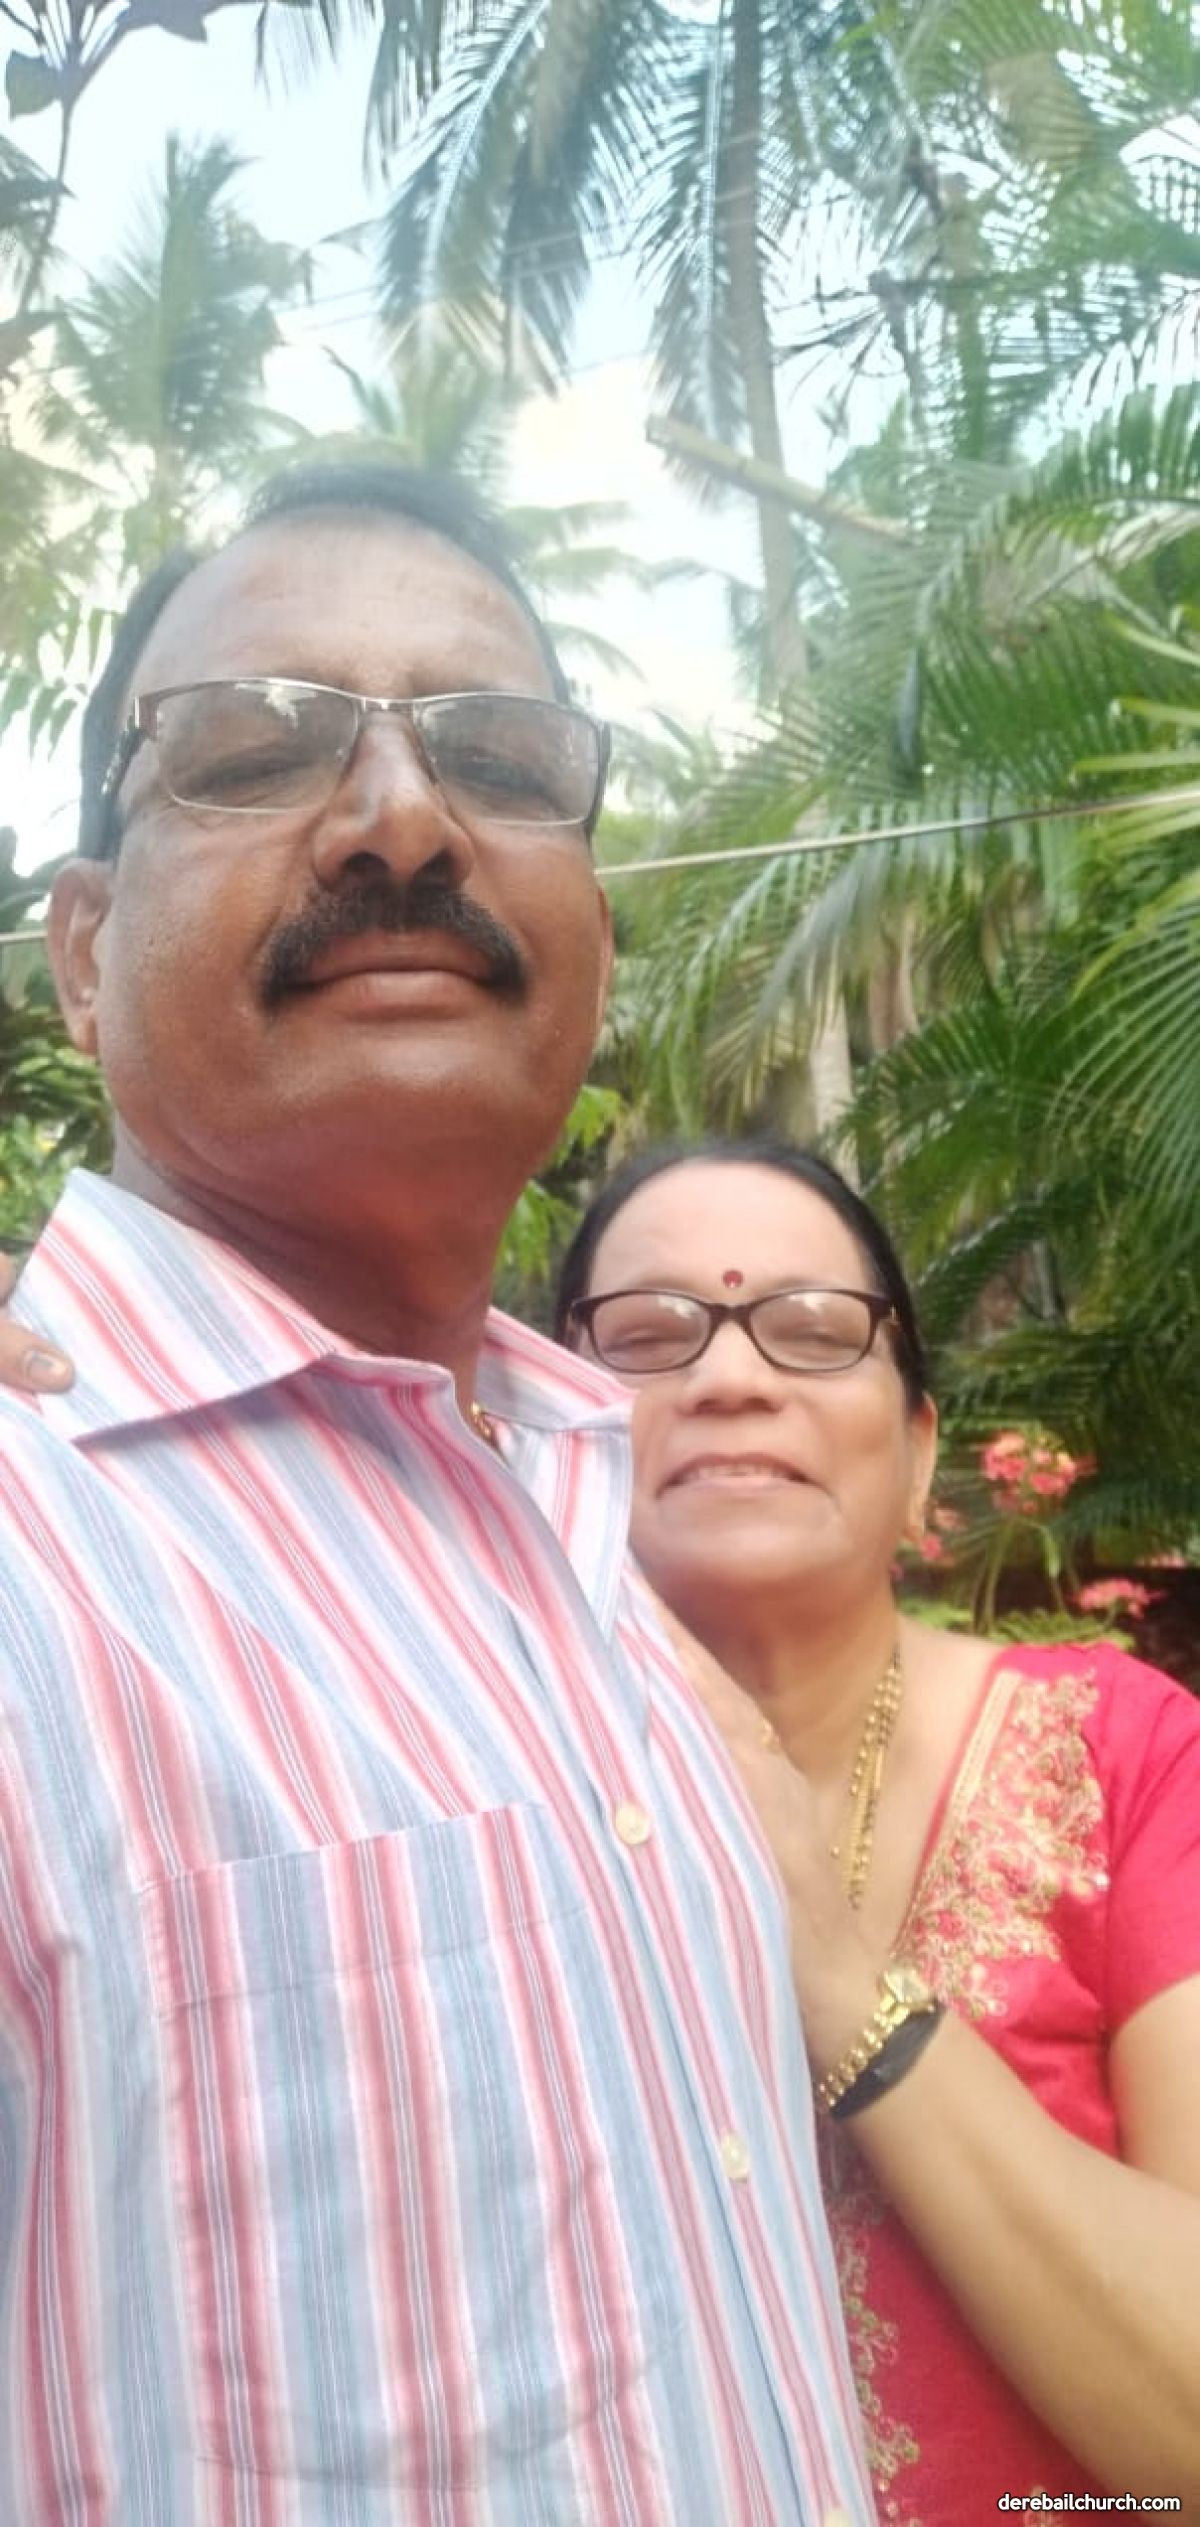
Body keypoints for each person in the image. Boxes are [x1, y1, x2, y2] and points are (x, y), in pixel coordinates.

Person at [0, 470, 872, 2525]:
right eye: (250, 749)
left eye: (500, 756)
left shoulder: (601, 1519)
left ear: (595, 940)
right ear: (84, 955)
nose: (402, 821)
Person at [550, 1134, 1200, 2521]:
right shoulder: (462, 1805)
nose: (731, 1379)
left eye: (812, 1329)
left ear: (919, 1456)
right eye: (648, 1336)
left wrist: (835, 1972)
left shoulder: (1128, 1756)